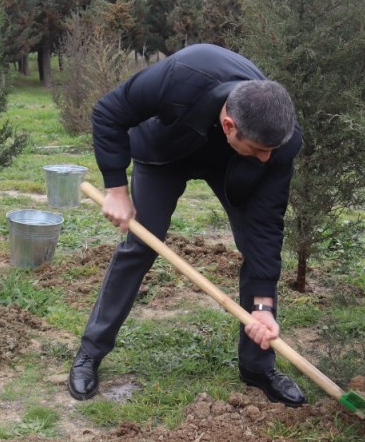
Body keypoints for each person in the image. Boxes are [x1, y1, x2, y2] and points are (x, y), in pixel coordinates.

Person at [68, 43, 307, 407]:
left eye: (273, 149)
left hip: (233, 168)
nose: (269, 158)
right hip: (165, 150)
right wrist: (115, 187)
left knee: (252, 244)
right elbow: (109, 112)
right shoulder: (182, 76)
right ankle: (91, 351)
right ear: (230, 126)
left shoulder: (275, 145)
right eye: (262, 149)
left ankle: (257, 367)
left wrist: (263, 307)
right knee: (140, 244)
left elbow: (266, 227)